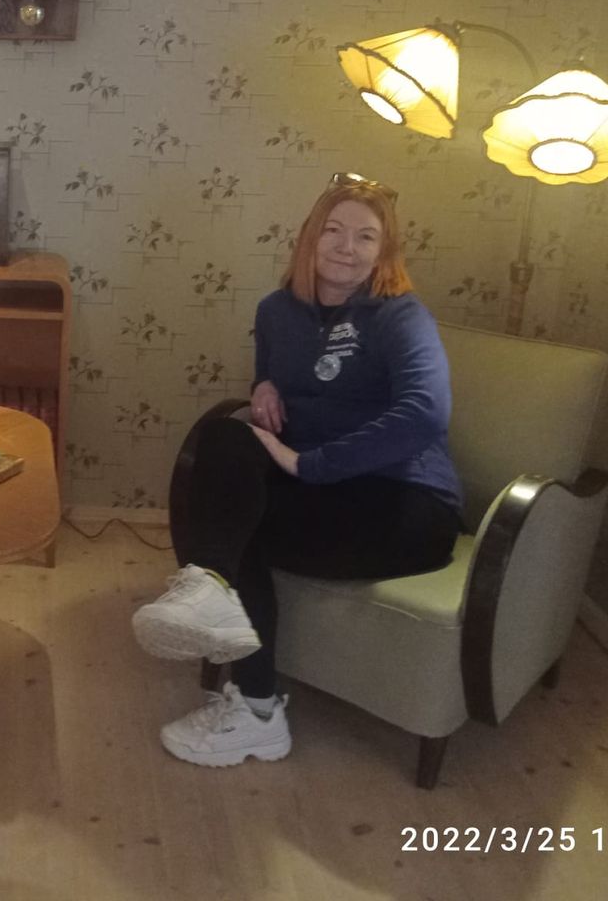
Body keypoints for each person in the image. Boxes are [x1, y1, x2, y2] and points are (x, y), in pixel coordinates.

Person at [131, 172, 463, 768]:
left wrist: (311, 463)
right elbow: (275, 372)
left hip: (405, 503)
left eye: (365, 236)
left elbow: (426, 414)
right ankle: (213, 597)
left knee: (238, 531)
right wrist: (263, 386)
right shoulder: (276, 311)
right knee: (223, 441)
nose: (346, 247)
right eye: (333, 230)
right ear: (309, 238)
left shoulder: (400, 316)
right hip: (321, 493)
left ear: (384, 251)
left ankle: (251, 696)